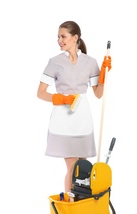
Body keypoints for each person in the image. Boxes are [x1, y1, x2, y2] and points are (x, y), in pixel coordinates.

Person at [37, 21, 111, 192]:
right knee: (73, 168)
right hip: (63, 120)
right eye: (58, 37)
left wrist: (103, 75)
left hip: (82, 119)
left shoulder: (90, 62)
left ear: (75, 37)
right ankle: (70, 206)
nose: (59, 40)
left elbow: (98, 94)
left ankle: (81, 207)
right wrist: (60, 98)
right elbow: (40, 93)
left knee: (83, 169)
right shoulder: (54, 62)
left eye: (63, 36)